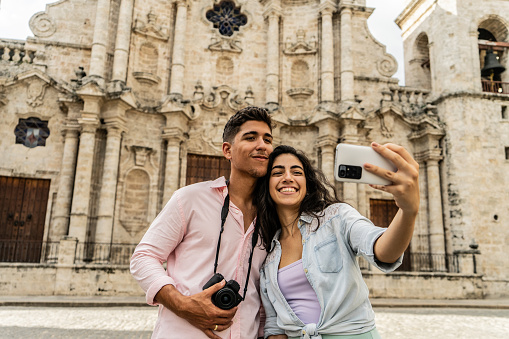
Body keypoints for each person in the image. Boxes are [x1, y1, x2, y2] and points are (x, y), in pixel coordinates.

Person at [130, 106, 274, 339]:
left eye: (268, 139)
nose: (262, 145)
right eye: (251, 137)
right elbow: (143, 257)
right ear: (227, 150)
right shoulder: (190, 199)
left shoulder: (271, 218)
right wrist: (183, 305)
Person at [255, 144, 420, 339]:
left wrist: (408, 210)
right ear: (267, 184)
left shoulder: (337, 217)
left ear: (307, 183)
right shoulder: (268, 251)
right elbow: (275, 327)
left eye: (297, 172)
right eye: (277, 172)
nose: (288, 177)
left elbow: (382, 250)